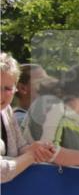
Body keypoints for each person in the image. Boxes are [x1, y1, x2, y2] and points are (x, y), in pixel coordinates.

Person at [1, 53, 55, 182]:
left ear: (15, 88)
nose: (1, 95)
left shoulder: (6, 110)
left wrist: (38, 148)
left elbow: (20, 147)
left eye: (8, 88)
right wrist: (31, 155)